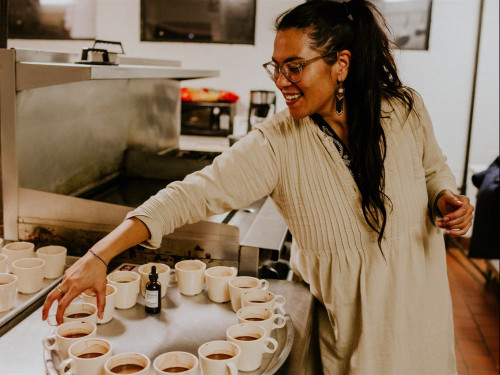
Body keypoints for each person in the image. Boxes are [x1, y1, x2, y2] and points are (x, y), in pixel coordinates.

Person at [42, 1, 474, 374]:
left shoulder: (405, 108)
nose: (280, 81)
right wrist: (101, 254)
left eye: (295, 67)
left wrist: (444, 196)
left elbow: (433, 169)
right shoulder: (276, 143)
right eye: (276, 67)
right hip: (359, 339)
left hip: (423, 308)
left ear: (340, 63)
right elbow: (192, 192)